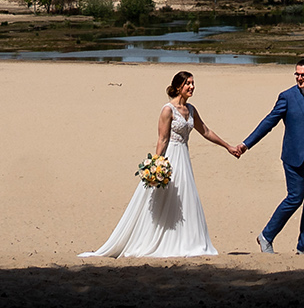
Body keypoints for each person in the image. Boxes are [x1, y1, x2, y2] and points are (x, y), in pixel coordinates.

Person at [80, 70, 240, 257]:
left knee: (186, 198)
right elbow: (162, 139)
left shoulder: (191, 110)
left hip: (184, 159)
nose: (192, 87)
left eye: (193, 83)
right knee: (162, 198)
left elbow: (205, 130)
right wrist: (156, 165)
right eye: (188, 83)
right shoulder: (167, 110)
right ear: (178, 86)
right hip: (169, 157)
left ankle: (186, 241)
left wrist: (227, 146)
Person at [234, 57, 304, 254]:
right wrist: (246, 144)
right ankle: (266, 236)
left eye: (303, 74)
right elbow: (268, 122)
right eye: (297, 74)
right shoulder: (287, 97)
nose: (299, 78)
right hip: (295, 158)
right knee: (295, 198)